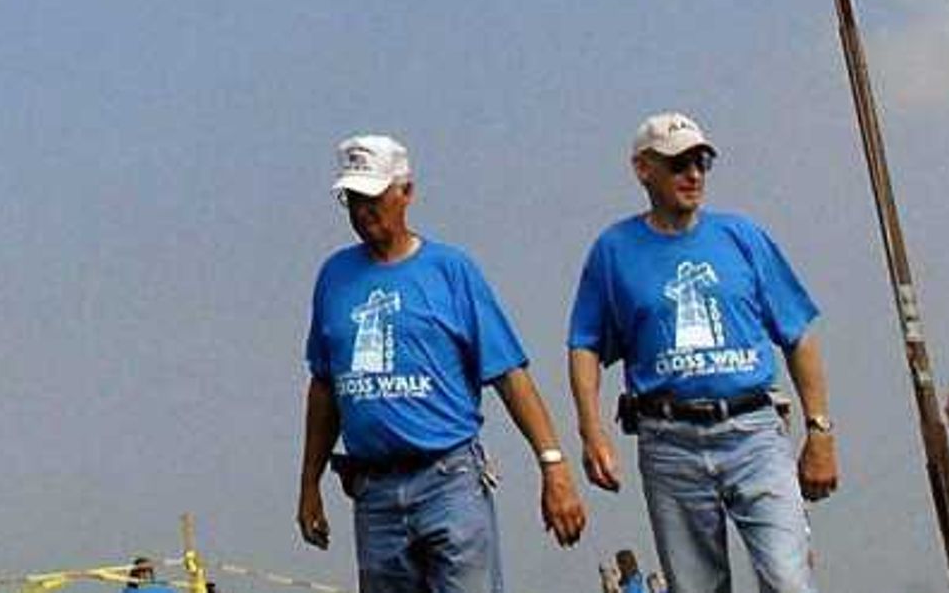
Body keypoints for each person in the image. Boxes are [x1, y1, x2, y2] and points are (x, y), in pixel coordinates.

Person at [298, 133, 587, 593]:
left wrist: (553, 465)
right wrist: (309, 483)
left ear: (405, 192)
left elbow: (509, 375)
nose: (363, 210)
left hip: (448, 482)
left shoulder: (450, 271)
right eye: (352, 199)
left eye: (373, 197)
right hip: (374, 493)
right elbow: (324, 386)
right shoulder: (334, 278)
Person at [565, 114, 833, 593]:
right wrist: (590, 430)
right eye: (678, 163)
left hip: (752, 431)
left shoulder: (742, 237)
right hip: (669, 441)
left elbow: (797, 333)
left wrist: (819, 429)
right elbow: (585, 344)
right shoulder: (614, 251)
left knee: (789, 580)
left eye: (701, 161)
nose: (693, 174)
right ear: (643, 169)